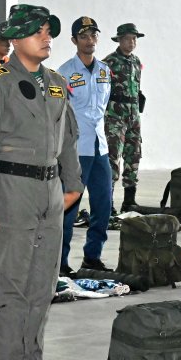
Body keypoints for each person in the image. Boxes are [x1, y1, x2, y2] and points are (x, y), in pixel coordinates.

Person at [0, 4, 83, 360]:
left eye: (48, 31)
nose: (47, 38)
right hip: (12, 189)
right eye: (38, 32)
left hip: (50, 192)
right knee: (13, 281)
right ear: (16, 39)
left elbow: (67, 136)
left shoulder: (55, 81)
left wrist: (73, 183)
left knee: (43, 282)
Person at [57, 17, 113, 275]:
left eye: (93, 36)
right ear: (74, 41)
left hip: (100, 149)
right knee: (69, 209)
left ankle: (93, 257)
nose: (89, 41)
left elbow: (103, 109)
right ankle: (60, 262)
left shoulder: (104, 70)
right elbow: (58, 113)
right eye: (84, 36)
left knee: (103, 205)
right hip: (76, 151)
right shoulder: (64, 72)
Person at [104, 23, 144, 213]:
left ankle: (129, 201)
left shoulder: (136, 62)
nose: (132, 42)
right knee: (113, 158)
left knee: (133, 154)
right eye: (128, 38)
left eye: (135, 38)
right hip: (114, 117)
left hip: (133, 116)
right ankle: (107, 203)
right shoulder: (108, 63)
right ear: (119, 40)